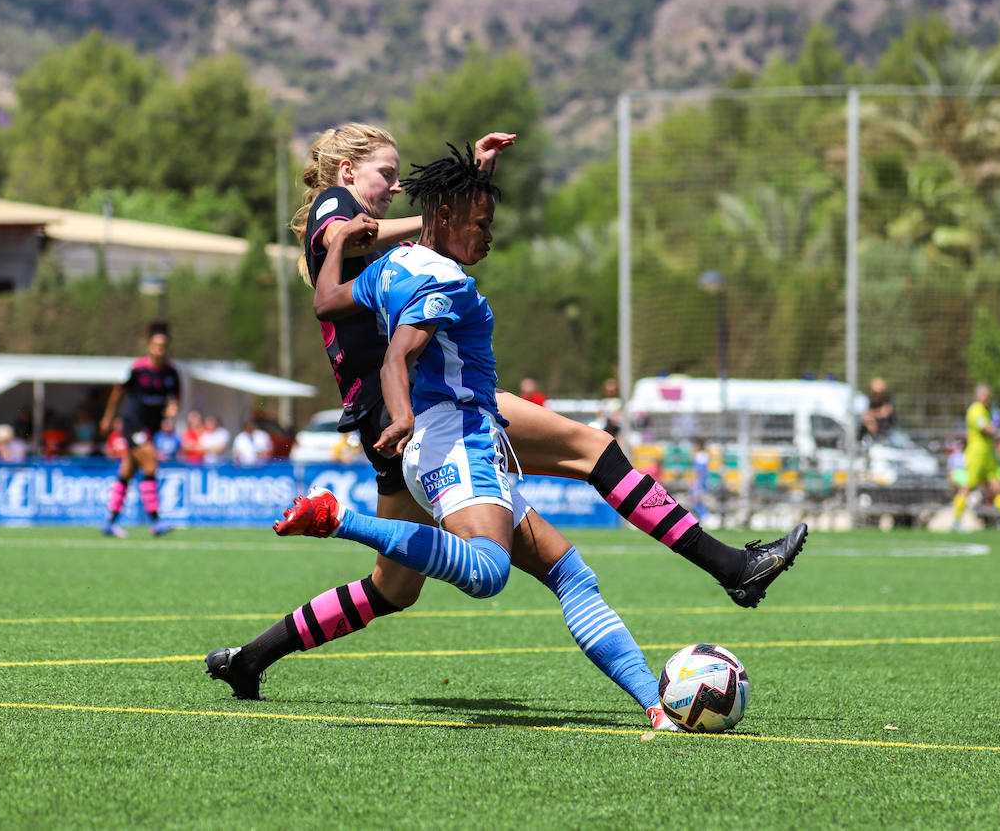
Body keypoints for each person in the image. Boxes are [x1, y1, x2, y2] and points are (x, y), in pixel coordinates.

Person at [206, 134, 804, 726]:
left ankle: (251, 658)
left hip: (418, 406)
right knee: (581, 461)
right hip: (421, 408)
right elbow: (366, 254)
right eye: (385, 174)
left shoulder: (392, 253)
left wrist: (468, 184)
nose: (393, 187)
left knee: (397, 588)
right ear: (345, 170)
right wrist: (435, 208)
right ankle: (730, 568)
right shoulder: (340, 211)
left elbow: (354, 283)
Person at [99, 321, 181, 538]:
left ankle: (109, 522)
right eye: (156, 345)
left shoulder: (171, 373)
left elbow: (175, 400)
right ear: (149, 347)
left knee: (127, 471)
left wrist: (173, 409)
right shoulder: (136, 369)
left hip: (151, 428)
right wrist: (108, 417)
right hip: (133, 425)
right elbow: (117, 393)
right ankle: (155, 522)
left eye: (164, 346)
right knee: (151, 464)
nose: (160, 350)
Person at [952, 384, 1000, 529]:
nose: (987, 399)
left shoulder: (985, 411)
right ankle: (956, 520)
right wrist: (997, 428)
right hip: (976, 456)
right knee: (967, 487)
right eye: (985, 396)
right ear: (978, 396)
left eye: (989, 396)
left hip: (988, 457)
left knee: (998, 487)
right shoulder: (975, 410)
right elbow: (986, 429)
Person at [860, 377, 896, 441]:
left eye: (879, 393)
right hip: (872, 431)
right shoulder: (870, 401)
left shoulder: (888, 400)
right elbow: (864, 415)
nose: (877, 395)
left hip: (887, 431)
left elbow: (885, 412)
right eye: (875, 393)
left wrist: (871, 414)